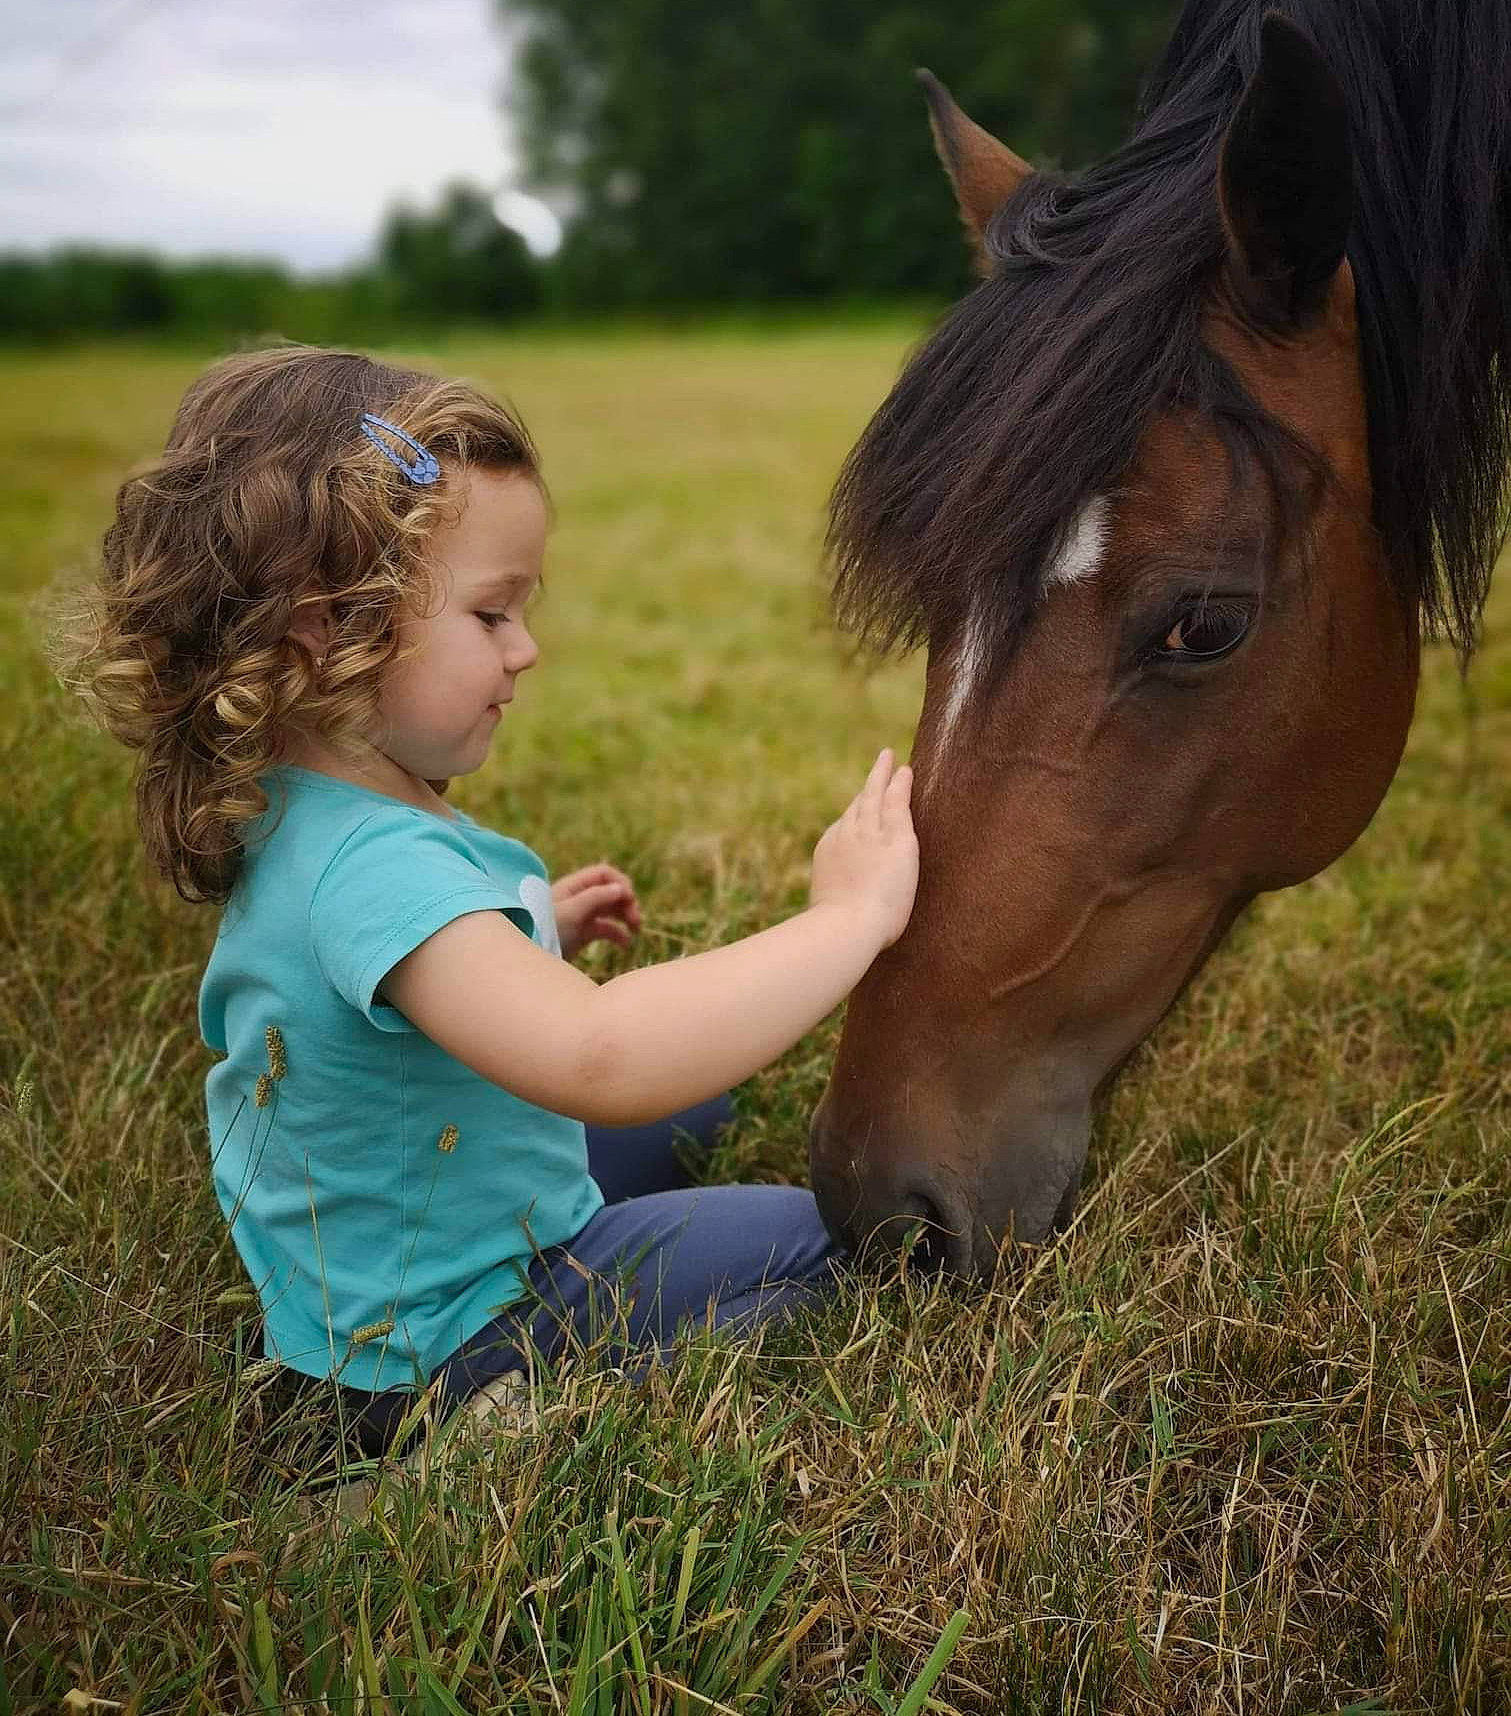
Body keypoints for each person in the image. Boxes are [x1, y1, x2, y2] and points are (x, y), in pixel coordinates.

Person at [70, 344, 917, 1456]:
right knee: (846, 1240)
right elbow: (601, 1056)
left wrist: (532, 930)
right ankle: (490, 1434)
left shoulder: (311, 806)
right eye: (489, 615)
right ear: (325, 630)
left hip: (393, 1247)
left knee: (697, 1112)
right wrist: (842, 921)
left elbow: (378, 969)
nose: (526, 650)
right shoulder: (374, 866)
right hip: (454, 1326)